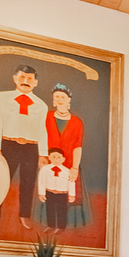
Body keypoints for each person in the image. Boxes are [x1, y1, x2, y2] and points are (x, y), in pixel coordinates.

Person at [0, 64, 47, 233]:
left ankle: (25, 215)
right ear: (15, 78)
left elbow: (42, 130)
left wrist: (43, 154)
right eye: (22, 77)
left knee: (28, 182)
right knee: (0, 180)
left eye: (30, 79)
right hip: (7, 145)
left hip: (31, 147)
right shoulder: (1, 98)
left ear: (35, 82)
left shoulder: (41, 105)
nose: (25, 81)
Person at [44, 84, 86, 233]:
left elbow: (77, 146)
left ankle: (63, 225)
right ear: (53, 100)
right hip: (49, 163)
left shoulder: (77, 122)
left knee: (67, 196)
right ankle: (50, 223)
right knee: (49, 194)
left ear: (69, 100)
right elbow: (41, 138)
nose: (59, 100)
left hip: (69, 164)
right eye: (57, 97)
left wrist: (74, 167)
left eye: (63, 97)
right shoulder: (47, 117)